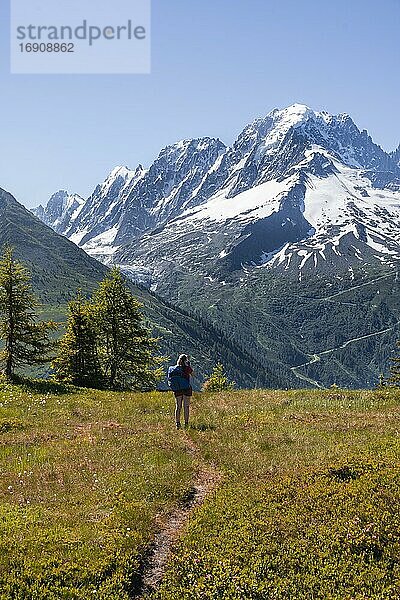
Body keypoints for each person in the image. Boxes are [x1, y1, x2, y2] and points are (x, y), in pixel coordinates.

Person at [167, 354, 193, 429]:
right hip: (186, 388)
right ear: (185, 361)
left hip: (177, 389)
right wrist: (188, 366)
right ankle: (186, 424)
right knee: (186, 406)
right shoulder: (186, 368)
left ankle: (177, 424)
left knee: (178, 406)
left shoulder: (171, 368)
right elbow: (194, 375)